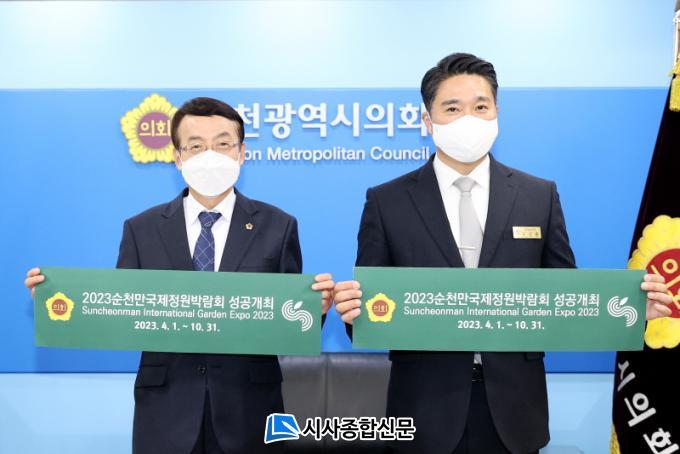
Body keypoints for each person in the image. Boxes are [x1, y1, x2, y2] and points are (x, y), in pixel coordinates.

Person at [332, 53, 672, 454]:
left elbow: (567, 299)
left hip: (515, 411)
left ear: (497, 114)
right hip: (424, 409)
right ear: (427, 120)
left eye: (480, 107)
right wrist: (353, 312)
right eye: (452, 108)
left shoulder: (538, 196)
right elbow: (371, 310)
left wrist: (631, 311)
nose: (469, 119)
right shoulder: (387, 201)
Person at [25, 97, 334, 454]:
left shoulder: (278, 226)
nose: (210, 155)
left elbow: (287, 326)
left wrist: (316, 311)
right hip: (166, 411)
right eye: (196, 146)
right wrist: (59, 302)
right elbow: (118, 313)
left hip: (249, 410)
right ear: (177, 157)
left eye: (223, 144)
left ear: (241, 153)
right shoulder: (141, 229)